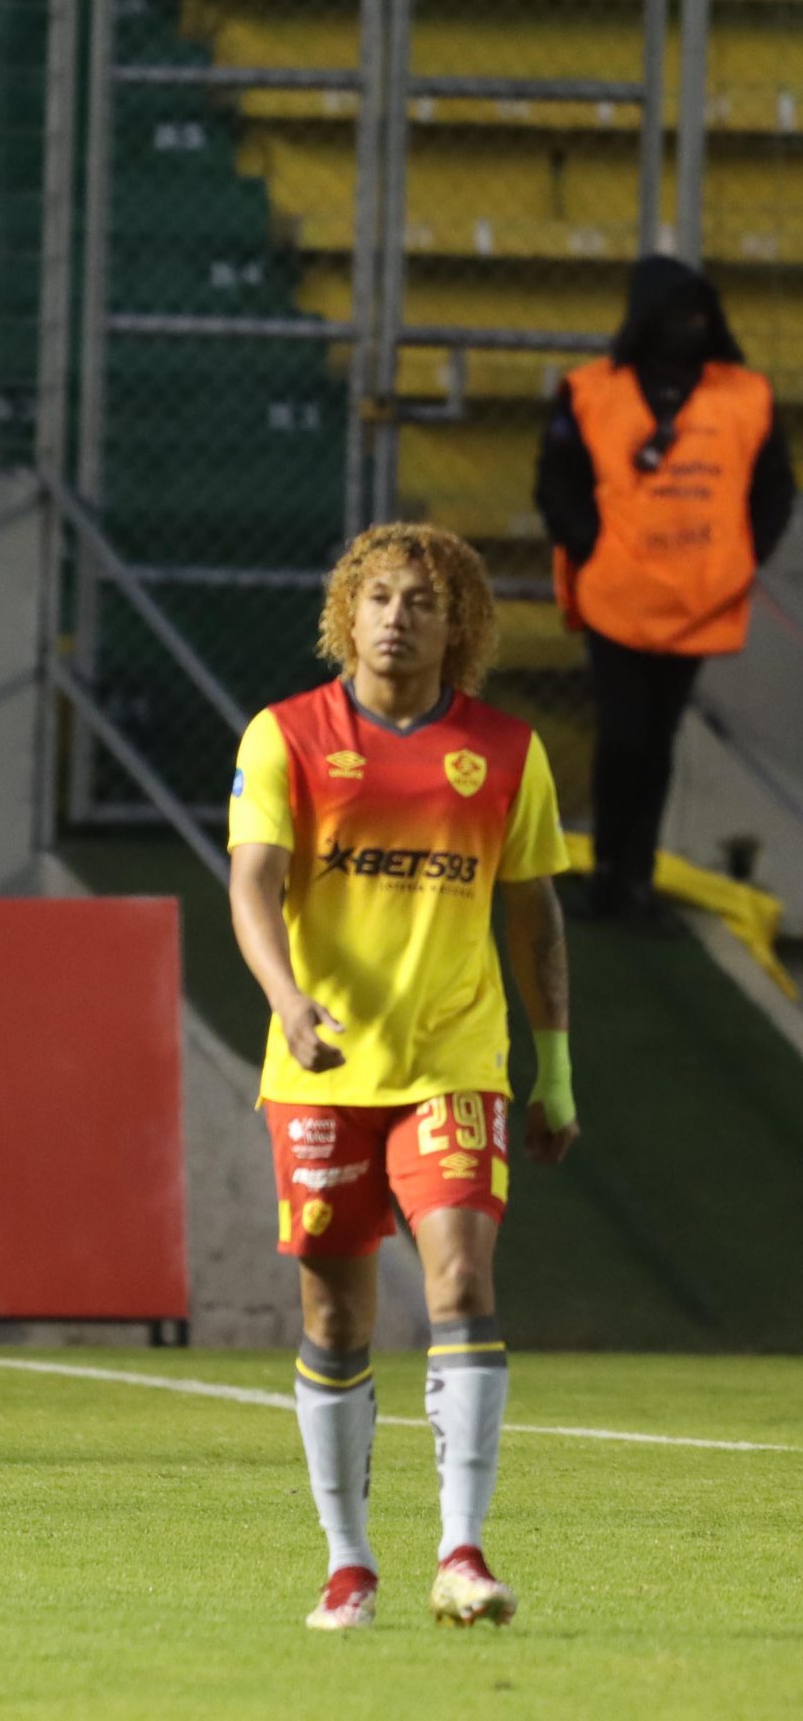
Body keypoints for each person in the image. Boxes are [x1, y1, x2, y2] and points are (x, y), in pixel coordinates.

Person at [226, 523, 581, 1631]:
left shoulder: (507, 752)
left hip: (454, 1060)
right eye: (377, 596)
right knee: (335, 1312)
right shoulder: (286, 735)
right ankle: (349, 1564)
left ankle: (461, 1552)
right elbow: (251, 882)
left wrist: (556, 1068)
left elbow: (534, 913)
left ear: (456, 623)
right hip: (322, 1066)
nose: (395, 617)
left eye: (421, 601)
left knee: (461, 1281)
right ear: (347, 612)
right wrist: (288, 1001)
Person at [536, 255, 794, 920]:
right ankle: (609, 869)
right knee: (624, 734)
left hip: (701, 599)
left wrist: (742, 560)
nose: (690, 325)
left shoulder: (746, 396)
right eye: (677, 312)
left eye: (699, 313)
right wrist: (593, 547)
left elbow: (774, 489)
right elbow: (557, 481)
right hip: (617, 596)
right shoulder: (592, 391)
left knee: (657, 741)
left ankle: (635, 877)